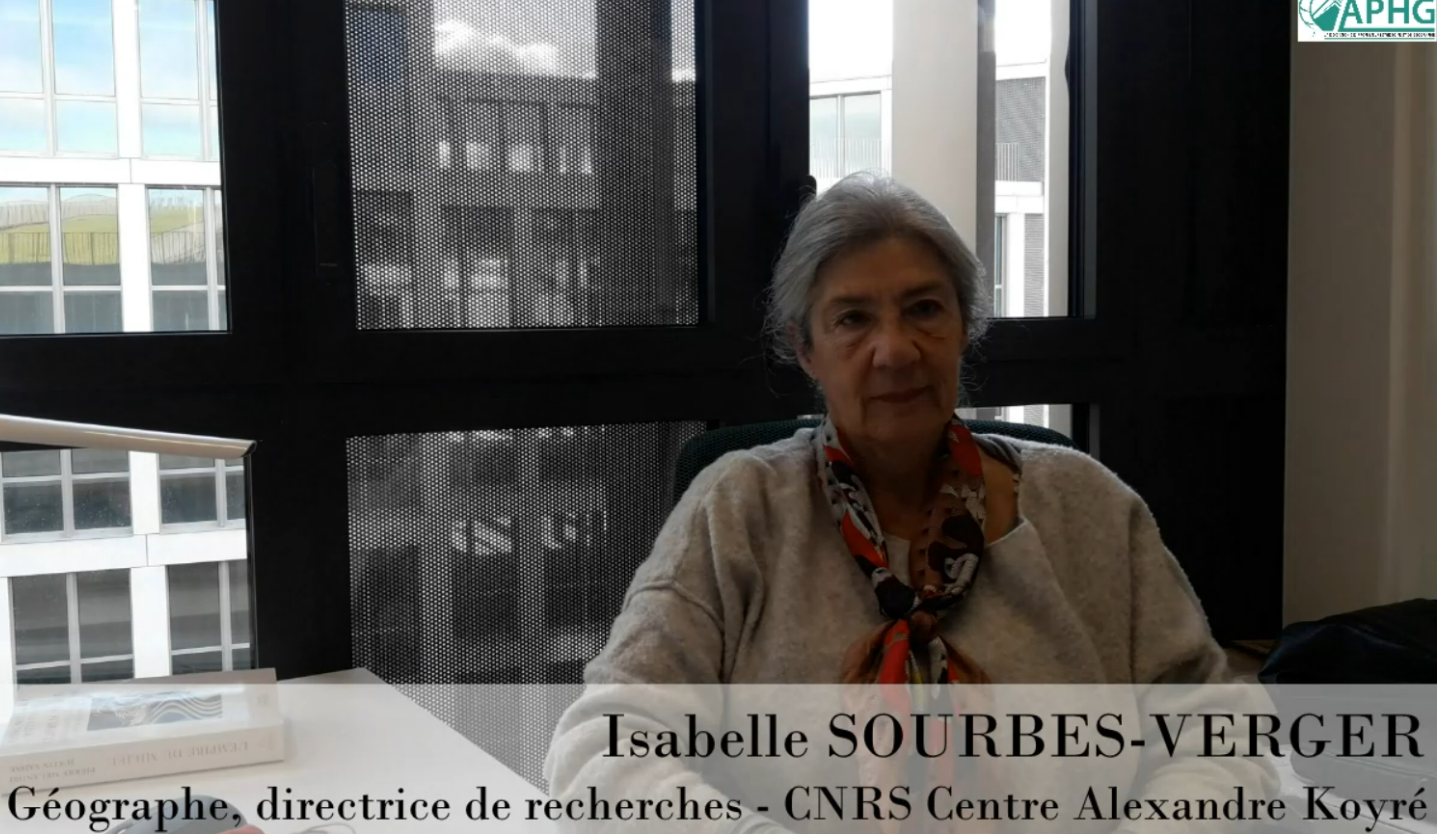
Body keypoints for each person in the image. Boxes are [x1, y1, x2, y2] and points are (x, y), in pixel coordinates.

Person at [543, 174, 1277, 832]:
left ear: (964, 327)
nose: (894, 350)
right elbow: (600, 748)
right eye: (852, 319)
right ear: (806, 349)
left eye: (924, 309)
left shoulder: (1087, 505)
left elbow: (1223, 735)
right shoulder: (739, 510)